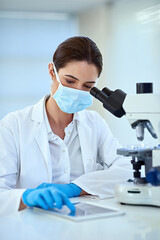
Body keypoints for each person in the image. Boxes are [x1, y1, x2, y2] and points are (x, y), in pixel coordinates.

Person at [0, 36, 132, 215]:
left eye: (88, 86)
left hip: (83, 226)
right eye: (70, 81)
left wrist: (75, 188)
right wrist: (25, 197)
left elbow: (127, 169)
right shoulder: (13, 125)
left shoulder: (95, 123)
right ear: (51, 71)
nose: (77, 91)